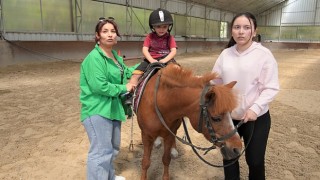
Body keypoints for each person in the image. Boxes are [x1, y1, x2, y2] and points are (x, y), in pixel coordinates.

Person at [211, 12, 280, 180]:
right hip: (229, 118)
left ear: (254, 31)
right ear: (232, 31)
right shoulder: (225, 54)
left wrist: (255, 108)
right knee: (229, 158)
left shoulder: (264, 55)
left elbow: (271, 87)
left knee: (255, 161)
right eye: (237, 27)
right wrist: (201, 82)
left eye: (246, 27)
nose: (241, 32)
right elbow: (216, 79)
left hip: (255, 119)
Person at [79, 17, 137, 180]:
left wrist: (143, 66)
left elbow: (125, 72)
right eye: (105, 31)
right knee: (100, 151)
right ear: (98, 36)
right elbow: (100, 86)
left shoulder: (114, 57)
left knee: (112, 147)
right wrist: (123, 87)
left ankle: (109, 176)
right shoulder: (94, 58)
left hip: (112, 108)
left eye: (113, 31)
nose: (110, 35)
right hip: (97, 109)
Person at [128, 8, 177, 87]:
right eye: (158, 26)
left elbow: (173, 51)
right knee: (135, 75)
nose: (161, 29)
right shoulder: (149, 37)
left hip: (167, 59)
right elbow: (145, 50)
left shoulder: (170, 38)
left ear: (169, 27)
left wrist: (164, 60)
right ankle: (131, 95)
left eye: (165, 27)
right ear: (153, 26)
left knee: (178, 71)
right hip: (150, 59)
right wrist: (151, 60)